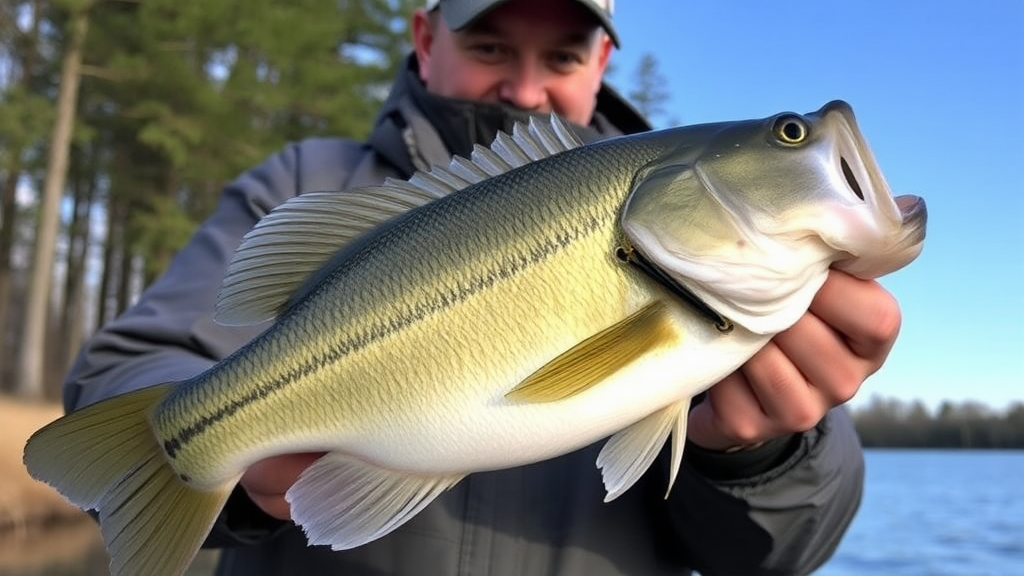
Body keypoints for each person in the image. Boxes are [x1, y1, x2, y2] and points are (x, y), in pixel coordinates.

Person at [62, 0, 901, 574]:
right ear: (426, 39)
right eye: (491, 45)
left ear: (604, 57)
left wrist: (765, 452)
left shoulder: (756, 292)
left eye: (562, 54)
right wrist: (226, 460)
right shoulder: (303, 181)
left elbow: (792, 547)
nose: (526, 86)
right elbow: (132, 362)